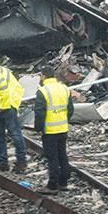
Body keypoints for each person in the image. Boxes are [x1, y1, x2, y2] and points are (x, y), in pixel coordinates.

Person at [31, 65, 74, 194]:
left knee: (52, 157)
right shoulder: (64, 88)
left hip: (50, 130)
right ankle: (63, 182)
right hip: (63, 128)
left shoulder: (43, 91)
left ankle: (52, 185)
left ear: (43, 76)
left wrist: (38, 128)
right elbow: (70, 109)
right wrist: (64, 119)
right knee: (62, 155)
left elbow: (39, 112)